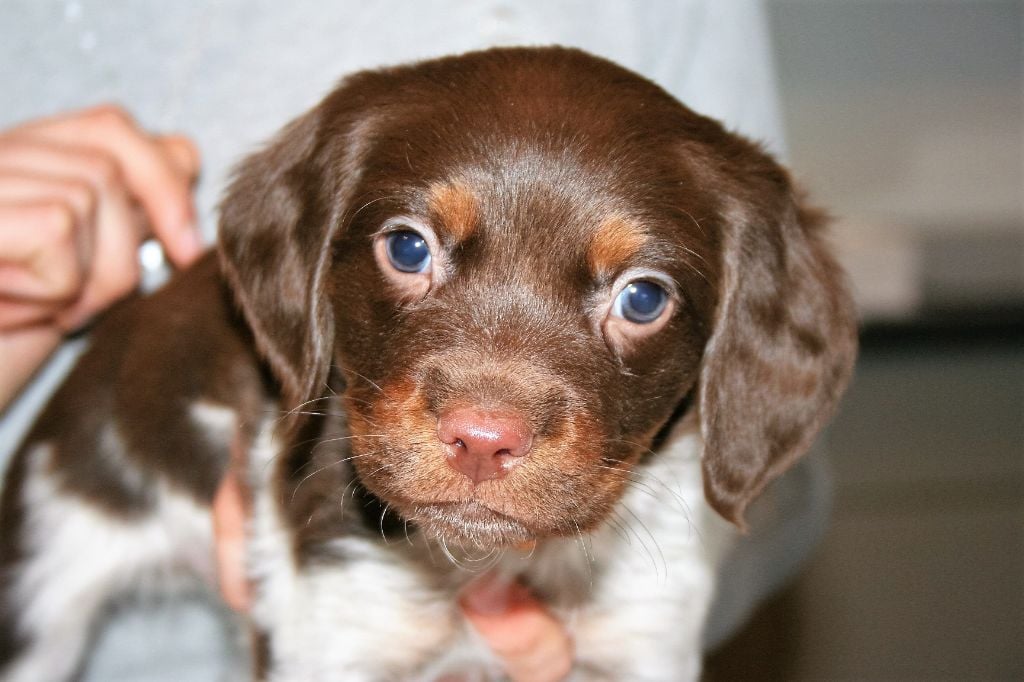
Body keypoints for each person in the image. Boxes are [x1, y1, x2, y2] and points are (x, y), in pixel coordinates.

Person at [1, 3, 819, 680]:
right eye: (409, 250)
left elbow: (781, 504)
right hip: (116, 473)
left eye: (640, 298)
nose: (485, 425)